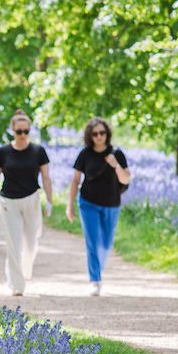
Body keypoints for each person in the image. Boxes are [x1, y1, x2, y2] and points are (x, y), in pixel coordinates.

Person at [0, 110, 54, 296]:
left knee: (31, 242)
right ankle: (17, 284)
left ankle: (22, 270)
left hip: (31, 199)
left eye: (26, 131)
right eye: (19, 132)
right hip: (9, 201)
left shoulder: (38, 151)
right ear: (12, 131)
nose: (23, 135)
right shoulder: (3, 152)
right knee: (13, 243)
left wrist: (50, 200)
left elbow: (46, 177)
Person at [66, 116, 131, 296]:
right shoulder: (85, 154)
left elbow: (125, 179)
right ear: (90, 136)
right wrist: (70, 205)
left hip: (111, 203)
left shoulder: (117, 154)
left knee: (106, 243)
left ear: (107, 134)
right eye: (95, 134)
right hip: (88, 203)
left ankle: (98, 269)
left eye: (102, 133)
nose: (99, 136)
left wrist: (115, 165)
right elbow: (75, 180)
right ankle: (95, 279)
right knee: (92, 241)